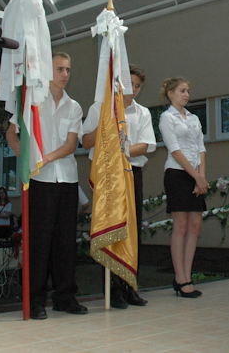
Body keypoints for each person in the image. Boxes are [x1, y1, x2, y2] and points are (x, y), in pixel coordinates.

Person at [5, 52, 87, 320]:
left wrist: (45, 158)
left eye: (68, 70)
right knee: (39, 242)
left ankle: (65, 297)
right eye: (60, 69)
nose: (65, 74)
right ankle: (35, 299)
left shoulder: (74, 107)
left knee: (66, 241)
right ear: (48, 71)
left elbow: (71, 145)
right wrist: (19, 149)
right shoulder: (32, 100)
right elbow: (11, 132)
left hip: (66, 180)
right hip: (39, 181)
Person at [81, 64, 156, 308]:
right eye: (129, 84)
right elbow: (85, 142)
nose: (133, 89)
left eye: (138, 86)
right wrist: (105, 123)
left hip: (131, 172)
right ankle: (112, 289)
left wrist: (121, 151)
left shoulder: (142, 112)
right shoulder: (100, 107)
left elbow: (145, 145)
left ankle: (129, 285)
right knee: (110, 228)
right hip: (107, 175)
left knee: (131, 230)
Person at [157, 77, 207, 298]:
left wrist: (201, 176)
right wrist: (195, 176)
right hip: (177, 174)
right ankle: (180, 278)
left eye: (188, 91)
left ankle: (188, 275)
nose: (186, 94)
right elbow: (175, 149)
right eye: (182, 91)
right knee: (181, 225)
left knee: (195, 225)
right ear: (171, 94)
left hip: (195, 175)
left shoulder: (194, 118)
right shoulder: (167, 117)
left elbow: (201, 147)